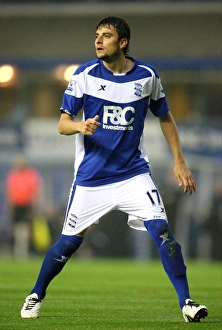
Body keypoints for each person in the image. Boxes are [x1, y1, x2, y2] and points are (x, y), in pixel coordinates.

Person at [21, 16, 208, 322]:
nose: (98, 40)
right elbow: (62, 124)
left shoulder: (147, 76)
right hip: (92, 178)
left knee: (162, 231)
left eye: (106, 36)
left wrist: (179, 161)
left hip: (133, 173)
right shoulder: (84, 75)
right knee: (69, 243)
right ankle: (36, 294)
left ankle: (187, 302)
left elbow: (165, 117)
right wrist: (81, 125)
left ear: (122, 43)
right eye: (96, 35)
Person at [5, 154, 43, 258]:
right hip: (16, 206)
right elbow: (10, 192)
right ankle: (16, 251)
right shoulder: (13, 175)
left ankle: (24, 251)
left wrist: (35, 205)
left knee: (25, 229)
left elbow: (35, 191)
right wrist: (10, 206)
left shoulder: (31, 174)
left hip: (26, 205)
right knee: (16, 229)